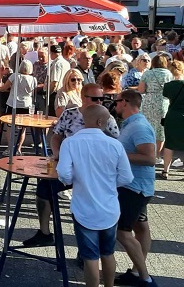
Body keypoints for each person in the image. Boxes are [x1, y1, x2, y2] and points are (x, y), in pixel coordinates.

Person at [23, 83, 120, 248]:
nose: (99, 102)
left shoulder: (106, 117)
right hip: (69, 167)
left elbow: (117, 142)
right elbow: (56, 136)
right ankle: (44, 233)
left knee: (88, 205)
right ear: (83, 97)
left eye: (101, 99)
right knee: (43, 190)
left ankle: (87, 251)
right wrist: (57, 154)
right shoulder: (70, 114)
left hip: (93, 172)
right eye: (95, 98)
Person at [56, 105, 133, 287]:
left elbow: (64, 174)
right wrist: (108, 184)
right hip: (110, 208)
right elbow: (127, 177)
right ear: (100, 122)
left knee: (90, 256)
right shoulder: (115, 145)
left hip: (84, 208)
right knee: (108, 253)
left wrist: (78, 179)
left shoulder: (70, 143)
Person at [113, 90, 159, 287]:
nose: (114, 105)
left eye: (116, 102)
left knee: (122, 232)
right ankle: (135, 272)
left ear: (124, 102)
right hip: (138, 186)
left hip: (134, 188)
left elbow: (150, 158)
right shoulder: (131, 124)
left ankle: (145, 278)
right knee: (141, 228)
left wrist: (117, 154)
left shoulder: (139, 126)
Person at [138, 55, 172, 163]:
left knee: (148, 128)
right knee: (160, 130)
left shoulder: (147, 73)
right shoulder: (169, 74)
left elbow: (141, 90)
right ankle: (158, 156)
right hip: (163, 102)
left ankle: (149, 153)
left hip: (149, 102)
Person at [161, 60, 184, 179]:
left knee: (169, 144)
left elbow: (166, 95)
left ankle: (165, 171)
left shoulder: (168, 86)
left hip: (172, 115)